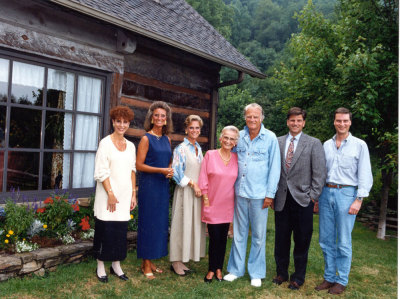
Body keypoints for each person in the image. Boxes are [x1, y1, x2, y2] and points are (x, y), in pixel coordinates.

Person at [315, 107, 372, 295]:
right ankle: (329, 276)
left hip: (347, 194)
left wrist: (359, 199)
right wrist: (317, 197)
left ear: (350, 122)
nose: (342, 124)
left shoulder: (359, 145)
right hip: (326, 193)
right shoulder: (326, 145)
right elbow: (321, 173)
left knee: (344, 241)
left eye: (345, 121)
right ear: (334, 121)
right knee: (325, 239)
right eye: (339, 120)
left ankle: (341, 280)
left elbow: (365, 173)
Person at [223, 103, 281, 287]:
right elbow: (227, 158)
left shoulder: (270, 138)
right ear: (245, 118)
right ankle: (235, 270)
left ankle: (256, 272)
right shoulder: (239, 137)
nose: (252, 120)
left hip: (260, 195)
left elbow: (275, 168)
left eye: (255, 116)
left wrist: (270, 194)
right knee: (238, 233)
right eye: (249, 116)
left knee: (258, 235)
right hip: (240, 192)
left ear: (262, 117)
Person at [272, 107, 326, 290]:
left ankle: (298, 277)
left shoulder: (313, 143)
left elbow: (319, 174)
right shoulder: (277, 142)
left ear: (304, 122)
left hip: (303, 200)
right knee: (281, 239)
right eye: (292, 120)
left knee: (302, 240)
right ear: (287, 122)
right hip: (281, 199)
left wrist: (312, 197)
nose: (295, 123)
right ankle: (281, 272)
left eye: (299, 121)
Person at [93, 105, 136, 283]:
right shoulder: (105, 143)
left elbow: (133, 170)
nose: (121, 125)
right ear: (113, 122)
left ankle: (116, 264)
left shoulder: (131, 146)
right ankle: (101, 265)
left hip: (125, 195)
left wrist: (133, 194)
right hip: (107, 195)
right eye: (118, 121)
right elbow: (101, 171)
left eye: (125, 122)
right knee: (105, 230)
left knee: (119, 231)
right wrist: (110, 193)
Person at [136, 101, 174, 280]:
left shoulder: (167, 139)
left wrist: (169, 169)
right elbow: (139, 165)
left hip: (162, 186)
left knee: (159, 224)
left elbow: (167, 160)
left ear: (166, 120)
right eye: (156, 115)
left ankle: (151, 261)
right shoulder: (146, 138)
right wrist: (160, 170)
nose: (159, 118)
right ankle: (145, 263)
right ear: (151, 118)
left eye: (163, 116)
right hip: (149, 186)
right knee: (148, 224)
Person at [198, 125, 239, 283]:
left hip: (228, 204)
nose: (228, 141)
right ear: (221, 138)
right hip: (212, 202)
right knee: (214, 237)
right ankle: (210, 269)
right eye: (226, 137)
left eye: (232, 139)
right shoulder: (210, 155)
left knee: (222, 238)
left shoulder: (236, 159)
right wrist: (206, 200)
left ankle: (219, 268)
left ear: (235, 142)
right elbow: (203, 178)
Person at [169, 115, 206, 276]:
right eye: (191, 127)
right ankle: (175, 261)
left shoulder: (198, 148)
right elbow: (176, 173)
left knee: (191, 225)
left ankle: (183, 259)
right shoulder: (181, 149)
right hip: (186, 191)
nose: (195, 130)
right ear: (186, 129)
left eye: (197, 128)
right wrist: (193, 184)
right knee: (180, 224)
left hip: (197, 194)